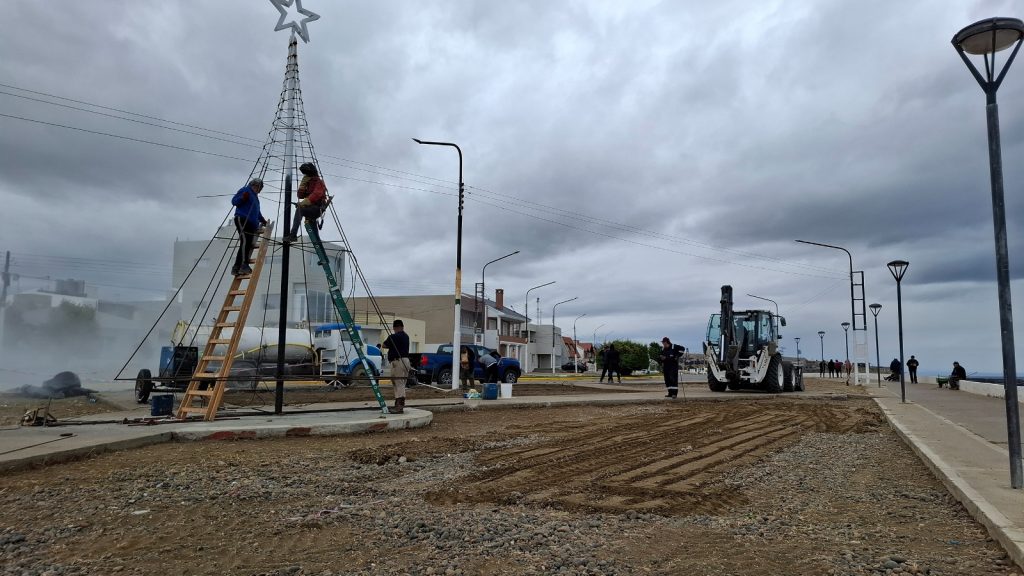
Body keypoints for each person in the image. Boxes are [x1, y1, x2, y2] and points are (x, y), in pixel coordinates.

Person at [231, 177, 269, 276]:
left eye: (260, 189)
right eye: (258, 188)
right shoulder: (245, 190)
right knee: (245, 242)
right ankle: (244, 265)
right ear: (254, 185)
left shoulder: (256, 198)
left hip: (252, 222)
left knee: (246, 244)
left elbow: (256, 211)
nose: (259, 190)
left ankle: (236, 267)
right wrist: (242, 198)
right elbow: (234, 201)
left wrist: (262, 220)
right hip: (243, 218)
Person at [283, 162, 329, 243]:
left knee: (300, 210)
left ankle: (293, 235)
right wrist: (303, 184)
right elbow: (300, 196)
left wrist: (302, 203)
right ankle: (317, 241)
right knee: (314, 232)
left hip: (317, 208)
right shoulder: (308, 182)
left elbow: (316, 195)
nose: (306, 175)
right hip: (311, 208)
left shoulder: (319, 182)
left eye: (307, 173)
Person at [380, 319, 411, 414]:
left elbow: (384, 345)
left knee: (398, 382)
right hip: (406, 360)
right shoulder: (406, 336)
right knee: (402, 382)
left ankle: (399, 406)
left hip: (397, 361)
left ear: (395, 327)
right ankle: (398, 403)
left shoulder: (393, 337)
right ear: (402, 327)